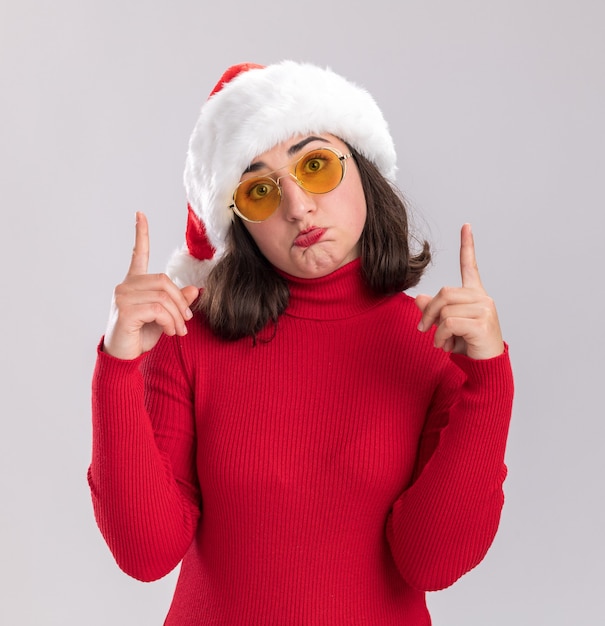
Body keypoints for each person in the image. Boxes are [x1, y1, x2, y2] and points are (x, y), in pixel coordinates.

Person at [89, 61, 514, 625]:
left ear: (363, 169)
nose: (297, 207)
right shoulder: (189, 342)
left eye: (315, 166)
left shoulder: (437, 343)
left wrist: (489, 380)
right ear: (240, 222)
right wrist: (118, 366)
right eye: (260, 190)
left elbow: (432, 563)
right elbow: (145, 555)